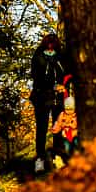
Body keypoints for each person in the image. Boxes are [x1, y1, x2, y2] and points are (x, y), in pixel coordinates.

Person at [30, 32, 68, 173]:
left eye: (53, 46)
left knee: (58, 127)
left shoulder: (61, 57)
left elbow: (67, 74)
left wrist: (64, 86)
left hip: (58, 98)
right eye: (49, 45)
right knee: (42, 128)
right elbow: (36, 77)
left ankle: (58, 157)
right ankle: (39, 159)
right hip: (41, 97)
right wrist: (52, 85)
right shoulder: (38, 57)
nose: (51, 48)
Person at [51, 95, 79, 165]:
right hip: (66, 135)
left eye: (71, 109)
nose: (69, 111)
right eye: (67, 109)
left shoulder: (75, 116)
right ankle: (68, 160)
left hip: (74, 134)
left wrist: (69, 125)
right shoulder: (62, 115)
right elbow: (58, 123)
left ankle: (77, 158)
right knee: (67, 147)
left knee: (76, 146)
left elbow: (75, 125)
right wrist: (55, 128)